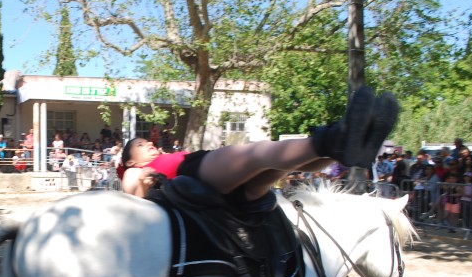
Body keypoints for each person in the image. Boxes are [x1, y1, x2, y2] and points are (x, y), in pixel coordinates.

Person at [121, 86, 399, 201]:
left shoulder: (162, 157)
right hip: (193, 175)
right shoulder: (134, 169)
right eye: (142, 145)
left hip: (209, 177)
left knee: (278, 167)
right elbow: (131, 193)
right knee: (255, 153)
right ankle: (336, 136)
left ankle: (344, 149)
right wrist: (143, 181)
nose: (150, 145)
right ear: (131, 160)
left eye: (149, 142)